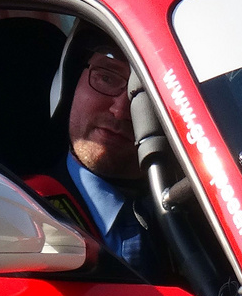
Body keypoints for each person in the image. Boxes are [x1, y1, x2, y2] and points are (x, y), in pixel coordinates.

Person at [30, 26, 166, 282]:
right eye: (107, 77)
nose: (121, 109)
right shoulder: (24, 214)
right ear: (69, 85)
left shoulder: (211, 220)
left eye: (148, 93)